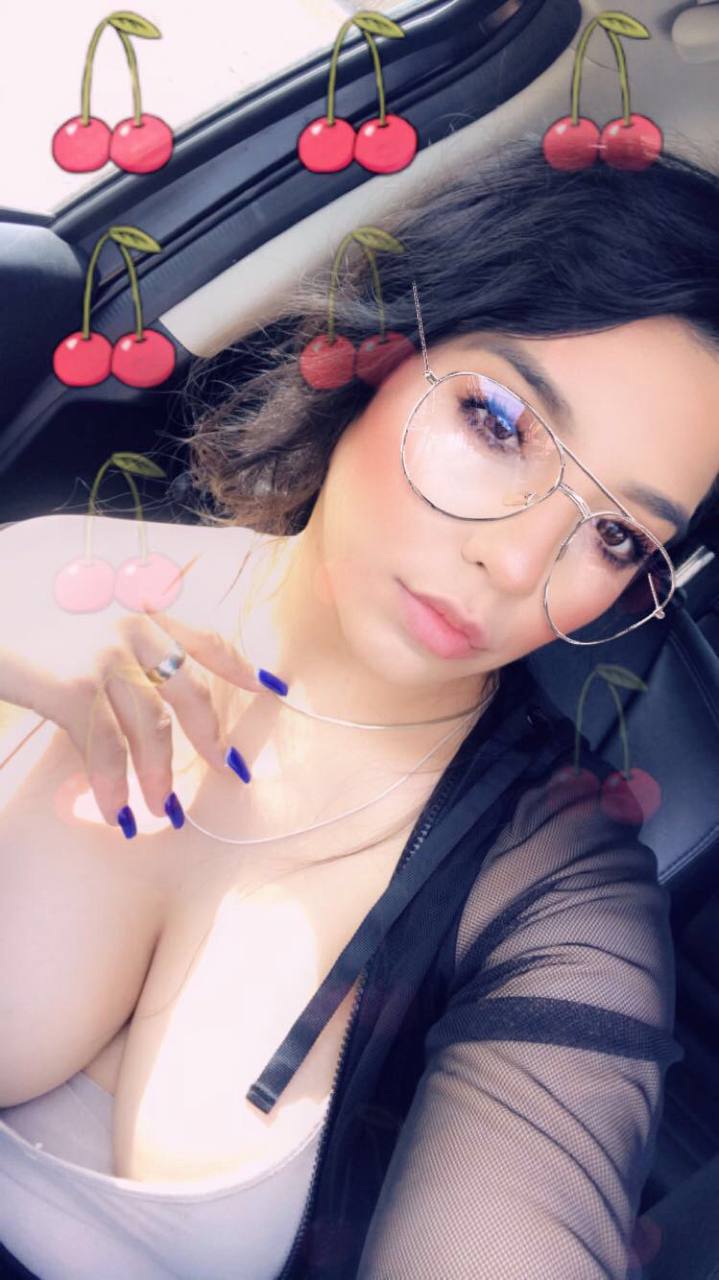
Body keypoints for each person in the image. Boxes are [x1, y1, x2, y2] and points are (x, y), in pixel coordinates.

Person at [0, 136, 718, 1280]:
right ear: (384, 351)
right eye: (496, 423)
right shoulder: (43, 578)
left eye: (614, 534)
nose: (514, 560)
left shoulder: (556, 887)